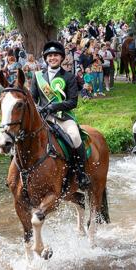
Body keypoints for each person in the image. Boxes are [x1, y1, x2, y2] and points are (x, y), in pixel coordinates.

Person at [29, 41, 90, 190]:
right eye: (49, 56)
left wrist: (53, 106)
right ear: (45, 58)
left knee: (75, 136)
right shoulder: (38, 77)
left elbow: (73, 102)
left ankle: (81, 174)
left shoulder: (69, 77)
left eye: (55, 55)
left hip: (64, 118)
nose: (52, 58)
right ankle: (19, 174)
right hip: (44, 119)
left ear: (61, 58)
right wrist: (39, 109)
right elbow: (32, 99)